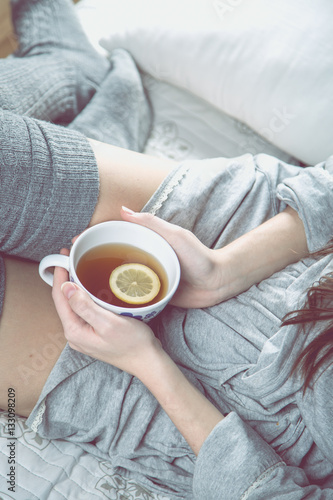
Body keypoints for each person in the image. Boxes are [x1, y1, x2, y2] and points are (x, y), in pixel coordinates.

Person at [0, 0, 332, 498]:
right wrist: (226, 268)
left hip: (179, 412)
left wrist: (147, 362)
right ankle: (75, 75)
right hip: (243, 239)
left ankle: (76, 80)